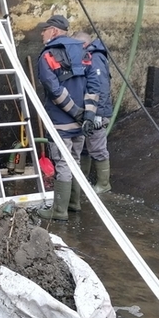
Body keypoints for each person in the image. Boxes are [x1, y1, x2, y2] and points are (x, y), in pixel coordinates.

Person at [36, 15, 100, 221]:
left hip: (61, 120)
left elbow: (54, 90)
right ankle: (74, 203)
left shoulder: (47, 56)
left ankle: (59, 211)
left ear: (53, 31)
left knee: (62, 163)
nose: (41, 34)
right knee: (75, 160)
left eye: (44, 30)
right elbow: (94, 85)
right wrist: (87, 114)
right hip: (82, 122)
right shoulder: (83, 51)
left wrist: (75, 112)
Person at [74, 31, 113, 194]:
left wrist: (97, 114)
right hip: (87, 110)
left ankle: (103, 184)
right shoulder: (86, 56)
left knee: (97, 147)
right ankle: (83, 179)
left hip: (97, 112)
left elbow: (101, 88)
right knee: (84, 147)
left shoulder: (95, 58)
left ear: (82, 45)